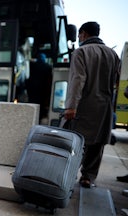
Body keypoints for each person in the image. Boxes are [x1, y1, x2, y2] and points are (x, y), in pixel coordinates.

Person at [63, 22, 120, 188]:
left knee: (75, 141)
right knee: (97, 144)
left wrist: (71, 106)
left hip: (84, 106)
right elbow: (116, 81)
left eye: (79, 35)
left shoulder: (81, 52)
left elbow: (77, 80)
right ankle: (88, 177)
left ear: (84, 34)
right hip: (105, 107)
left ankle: (68, 174)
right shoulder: (113, 54)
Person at [26, 52, 52, 123]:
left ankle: (30, 119)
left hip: (32, 90)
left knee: (32, 104)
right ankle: (37, 120)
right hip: (42, 91)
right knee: (40, 107)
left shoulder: (32, 66)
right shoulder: (48, 67)